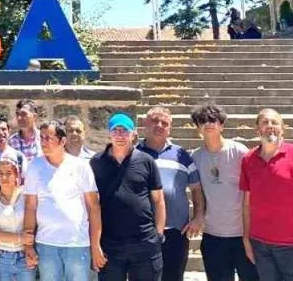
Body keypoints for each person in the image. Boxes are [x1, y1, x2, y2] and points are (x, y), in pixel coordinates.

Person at [240, 109, 293, 281]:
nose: (270, 126)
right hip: (260, 245)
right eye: (265, 122)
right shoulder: (248, 160)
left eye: (275, 122)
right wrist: (246, 238)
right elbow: (246, 204)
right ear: (257, 129)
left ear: (282, 129)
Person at [22, 120, 101, 281]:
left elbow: (93, 207)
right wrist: (28, 245)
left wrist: (95, 246)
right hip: (46, 244)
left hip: (77, 244)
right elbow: (30, 206)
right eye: (41, 137)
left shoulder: (81, 166)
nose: (43, 142)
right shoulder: (35, 166)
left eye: (49, 138)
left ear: (62, 141)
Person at [91, 113, 165, 281]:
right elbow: (92, 204)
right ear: (109, 134)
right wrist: (95, 245)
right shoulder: (96, 163)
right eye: (115, 130)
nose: (120, 135)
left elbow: (159, 200)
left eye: (124, 131)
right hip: (110, 243)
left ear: (133, 134)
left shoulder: (146, 161)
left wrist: (158, 234)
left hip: (144, 241)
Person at [189, 104, 257, 281]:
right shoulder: (196, 157)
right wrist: (198, 215)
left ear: (222, 125)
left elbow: (255, 187)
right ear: (197, 127)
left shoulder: (240, 152)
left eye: (213, 120)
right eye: (203, 121)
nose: (208, 124)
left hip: (244, 234)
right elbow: (197, 191)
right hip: (214, 235)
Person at [136, 108, 204, 281]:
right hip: (142, 230)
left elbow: (196, 189)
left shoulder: (182, 155)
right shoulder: (133, 153)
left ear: (170, 129)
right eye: (155, 121)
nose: (159, 125)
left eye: (164, 123)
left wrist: (197, 217)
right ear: (145, 123)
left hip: (176, 231)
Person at [0, 156, 34, 281]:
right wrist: (20, 238)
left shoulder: (26, 195)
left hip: (25, 255)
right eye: (0, 173)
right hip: (2, 257)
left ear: (17, 175)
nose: (4, 177)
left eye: (9, 173)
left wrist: (29, 246)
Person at [9, 100, 41, 164]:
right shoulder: (11, 141)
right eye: (17, 114)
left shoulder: (43, 138)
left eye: (23, 114)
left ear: (34, 116)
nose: (19, 118)